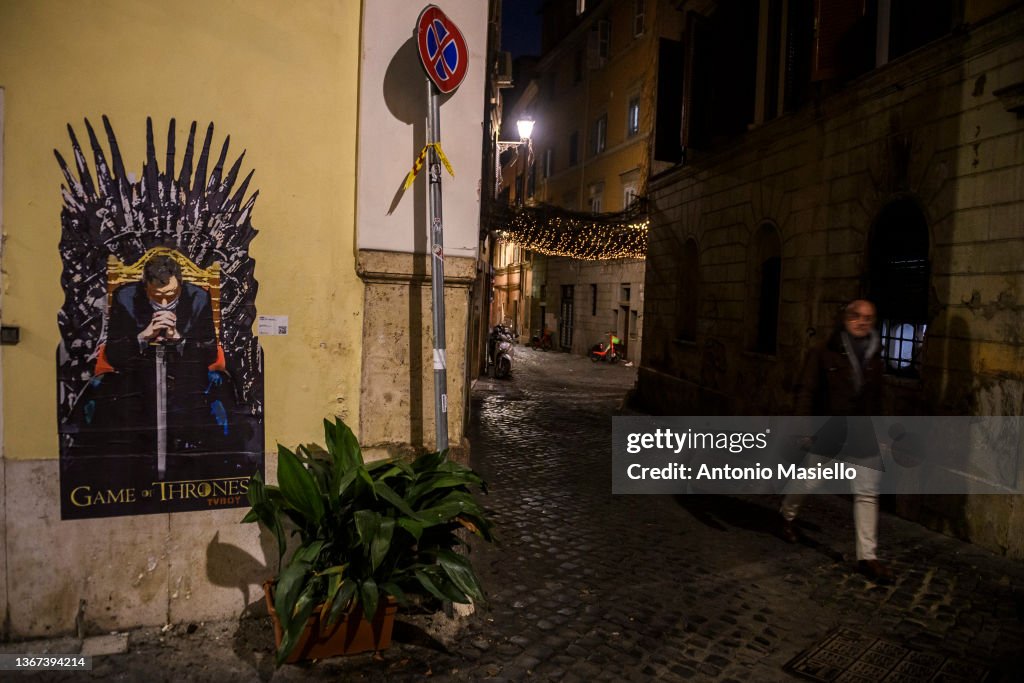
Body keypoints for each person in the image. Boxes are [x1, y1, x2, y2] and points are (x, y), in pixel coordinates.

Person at [779, 299, 894, 584]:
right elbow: (806, 392)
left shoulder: (874, 356)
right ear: (845, 319)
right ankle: (787, 514)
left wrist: (881, 434)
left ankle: (868, 556)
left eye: (868, 317)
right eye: (856, 316)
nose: (862, 321)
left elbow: (878, 400)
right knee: (810, 479)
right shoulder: (823, 353)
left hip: (863, 432)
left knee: (867, 492)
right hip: (831, 429)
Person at [95, 253, 229, 467]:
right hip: (138, 379)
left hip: (186, 380)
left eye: (171, 295)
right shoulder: (125, 297)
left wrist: (179, 339)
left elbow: (209, 352)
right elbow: (114, 354)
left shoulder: (198, 298)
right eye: (157, 296)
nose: (165, 302)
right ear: (145, 286)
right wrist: (143, 336)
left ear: (180, 286)